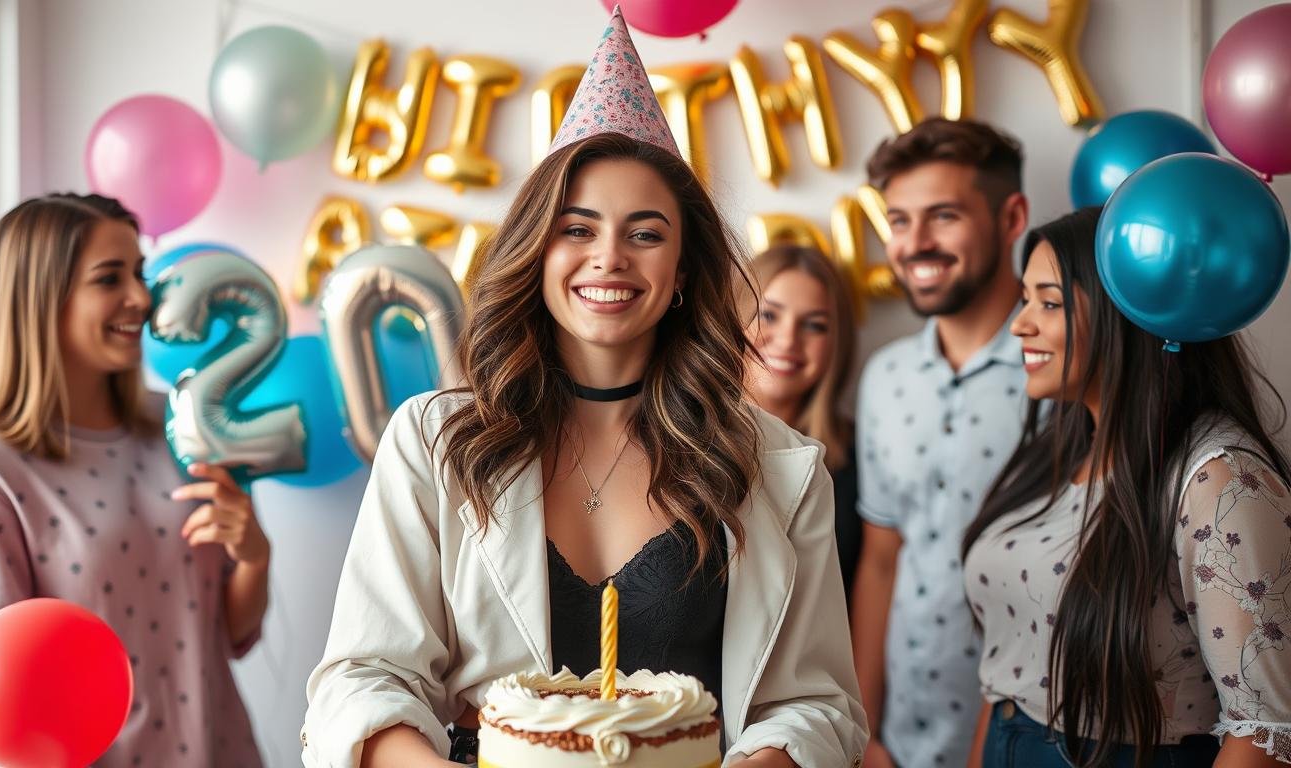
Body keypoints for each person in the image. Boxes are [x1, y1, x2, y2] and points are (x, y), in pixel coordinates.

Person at [302, 8, 866, 768]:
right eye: (576, 228)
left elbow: (817, 706)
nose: (609, 258)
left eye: (645, 232)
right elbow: (364, 676)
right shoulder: (434, 441)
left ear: (682, 272)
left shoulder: (778, 467)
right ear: (536, 252)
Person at [0, 193, 269, 766]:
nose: (141, 299)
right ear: (40, 299)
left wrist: (253, 556)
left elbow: (231, 635)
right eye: (109, 278)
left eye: (140, 273)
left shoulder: (178, 424)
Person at [963, 206, 1291, 767]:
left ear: (1128, 312)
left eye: (1049, 302)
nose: (1019, 324)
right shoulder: (1061, 447)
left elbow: (1264, 732)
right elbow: (1006, 682)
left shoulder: (1219, 478)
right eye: (1025, 298)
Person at [850, 117, 1030, 768]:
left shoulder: (1063, 372)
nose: (914, 243)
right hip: (897, 742)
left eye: (942, 216)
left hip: (1026, 739)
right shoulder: (885, 377)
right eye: (898, 221)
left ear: (1012, 218)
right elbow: (880, 560)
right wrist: (862, 732)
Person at [744, 244, 863, 594]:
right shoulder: (678, 436)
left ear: (836, 344)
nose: (788, 340)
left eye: (814, 325)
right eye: (769, 315)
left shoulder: (859, 457)